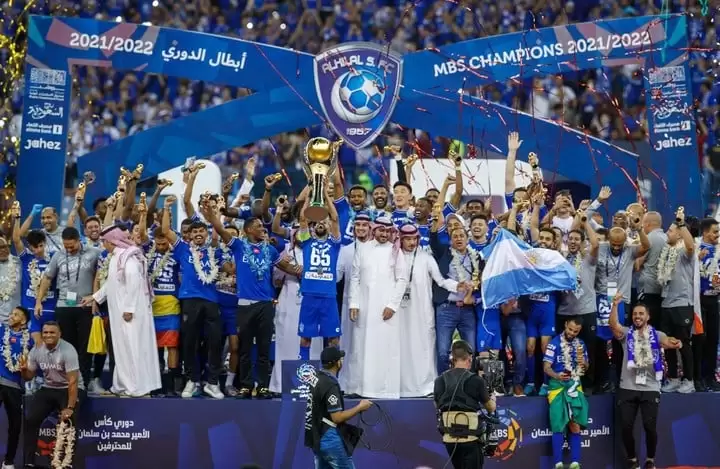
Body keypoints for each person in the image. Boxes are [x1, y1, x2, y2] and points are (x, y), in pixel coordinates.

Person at [84, 225, 161, 397]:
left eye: (105, 241)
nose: (103, 244)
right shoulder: (116, 258)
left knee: (132, 347)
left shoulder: (128, 258)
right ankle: (121, 385)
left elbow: (134, 283)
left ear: (112, 241)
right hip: (119, 311)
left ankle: (136, 388)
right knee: (122, 349)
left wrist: (129, 309)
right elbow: (111, 284)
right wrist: (94, 297)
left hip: (130, 313)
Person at [609, 293, 683, 469]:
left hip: (650, 388)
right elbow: (613, 325)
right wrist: (615, 305)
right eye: (635, 314)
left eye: (641, 313)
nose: (637, 316)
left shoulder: (657, 334)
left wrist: (675, 343)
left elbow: (667, 341)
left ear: (648, 317)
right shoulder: (627, 334)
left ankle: (650, 460)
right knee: (626, 427)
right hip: (627, 386)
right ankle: (632, 460)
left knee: (650, 427)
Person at [396, 223, 461, 397]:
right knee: (402, 347)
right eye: (407, 239)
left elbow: (441, 281)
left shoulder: (426, 258)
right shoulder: (395, 257)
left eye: (414, 239)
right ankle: (402, 386)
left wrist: (457, 286)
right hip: (400, 312)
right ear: (401, 240)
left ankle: (425, 386)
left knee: (424, 348)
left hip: (422, 311)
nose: (411, 243)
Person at [347, 216, 408, 398]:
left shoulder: (396, 252)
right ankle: (360, 388)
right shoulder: (363, 249)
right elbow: (355, 277)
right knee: (361, 347)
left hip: (386, 310)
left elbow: (402, 280)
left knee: (385, 348)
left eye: (388, 231)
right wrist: (354, 303)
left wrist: (392, 305)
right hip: (365, 308)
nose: (384, 234)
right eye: (381, 230)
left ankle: (384, 390)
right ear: (374, 230)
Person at [34, 227, 101, 387]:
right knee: (66, 347)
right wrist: (38, 301)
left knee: (85, 347)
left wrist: (95, 298)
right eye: (66, 246)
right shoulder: (58, 255)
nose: (69, 249)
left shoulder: (94, 253)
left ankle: (83, 382)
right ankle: (66, 381)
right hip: (64, 306)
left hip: (85, 306)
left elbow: (99, 276)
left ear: (79, 240)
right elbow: (47, 278)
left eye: (72, 246)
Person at [21, 321, 86, 468]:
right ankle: (29, 462)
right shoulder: (37, 350)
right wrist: (24, 371)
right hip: (49, 387)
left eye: (52, 332)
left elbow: (73, 382)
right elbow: (29, 377)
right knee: (30, 419)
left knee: (68, 421)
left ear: (59, 334)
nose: (48, 335)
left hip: (70, 388)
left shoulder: (68, 350)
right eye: (45, 332)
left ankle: (66, 464)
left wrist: (70, 407)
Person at [304, 346, 373, 469]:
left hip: (316, 437)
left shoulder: (316, 378)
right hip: (329, 439)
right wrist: (360, 407)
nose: (341, 361)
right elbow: (337, 417)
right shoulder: (330, 385)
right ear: (337, 363)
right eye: (340, 359)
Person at [433, 340, 496, 469]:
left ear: (452, 359)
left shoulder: (439, 380)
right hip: (471, 439)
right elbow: (490, 408)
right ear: (470, 359)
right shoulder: (476, 380)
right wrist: (493, 398)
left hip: (449, 440)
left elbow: (437, 405)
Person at [296, 186, 342, 358]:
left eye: (325, 221)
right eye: (318, 222)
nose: (321, 223)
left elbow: (335, 218)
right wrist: (309, 196)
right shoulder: (307, 241)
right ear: (313, 226)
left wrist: (326, 197)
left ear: (329, 226)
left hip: (329, 296)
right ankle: (304, 373)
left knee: (334, 339)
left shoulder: (334, 244)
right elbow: (302, 218)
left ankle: (331, 373)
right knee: (305, 339)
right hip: (309, 296)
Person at [543, 318, 589, 469]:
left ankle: (575, 463)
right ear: (565, 325)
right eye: (570, 329)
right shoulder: (554, 343)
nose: (572, 333)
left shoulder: (581, 344)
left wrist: (583, 363)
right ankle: (558, 463)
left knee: (575, 425)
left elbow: (586, 367)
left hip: (575, 386)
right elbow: (546, 367)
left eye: (576, 331)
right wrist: (557, 376)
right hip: (557, 388)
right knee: (558, 425)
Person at [0, 306, 32, 469]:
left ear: (23, 320)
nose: (11, 316)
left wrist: (25, 370)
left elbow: (30, 374)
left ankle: (9, 461)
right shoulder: (1, 331)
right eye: (11, 313)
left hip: (14, 386)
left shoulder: (29, 341)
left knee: (15, 426)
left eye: (16, 315)